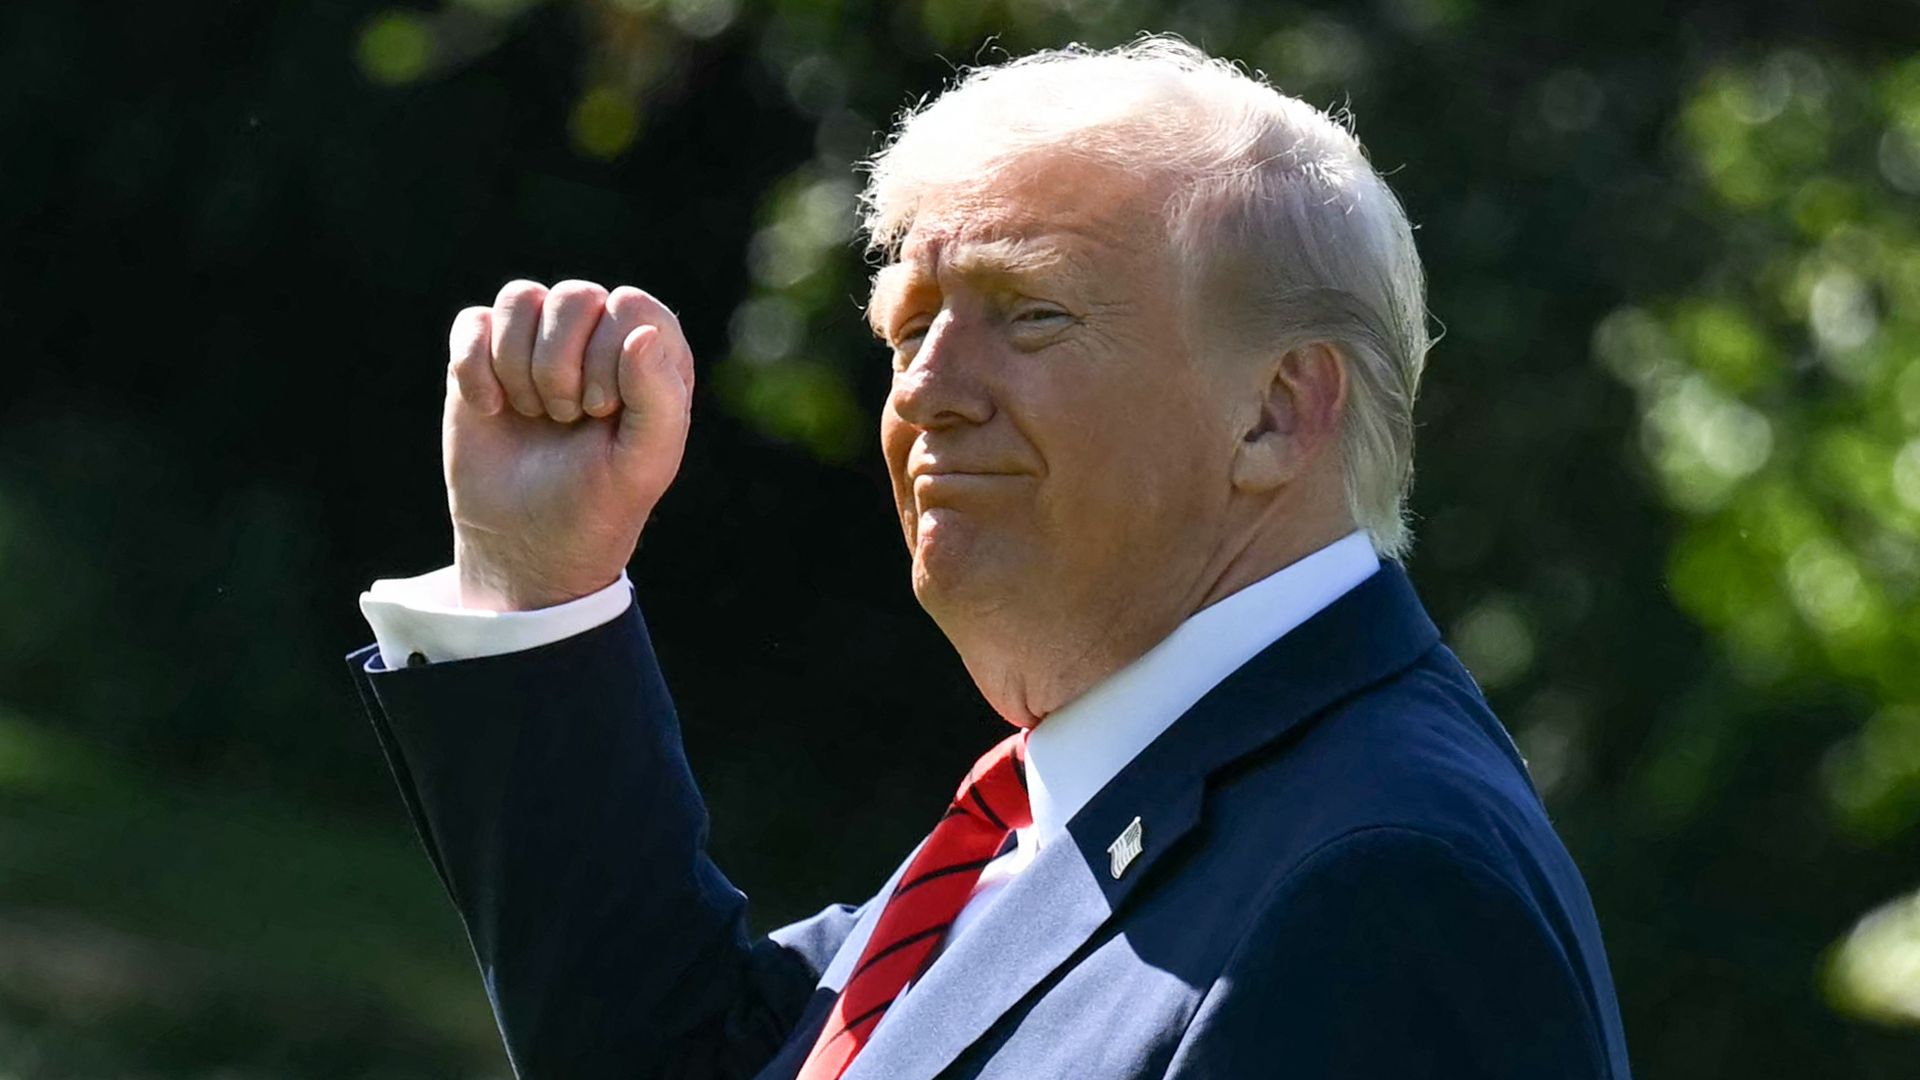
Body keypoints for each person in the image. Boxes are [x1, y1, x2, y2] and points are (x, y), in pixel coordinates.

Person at [348, 37, 1632, 1080]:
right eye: (908, 330)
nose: (930, 392)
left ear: (1279, 409)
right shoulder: (1103, 793)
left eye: (1033, 314)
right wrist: (538, 583)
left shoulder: (1385, 887)